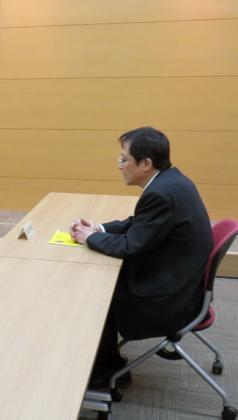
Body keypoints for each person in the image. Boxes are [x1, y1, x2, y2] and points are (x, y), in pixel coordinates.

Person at [69, 127, 213, 389]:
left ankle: (104, 372)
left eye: (124, 159)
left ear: (145, 163)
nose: (119, 166)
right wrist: (99, 229)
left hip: (170, 298)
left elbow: (132, 246)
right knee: (101, 278)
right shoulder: (171, 181)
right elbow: (140, 224)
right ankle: (108, 363)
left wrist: (88, 238)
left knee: (93, 291)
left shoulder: (160, 193)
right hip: (181, 282)